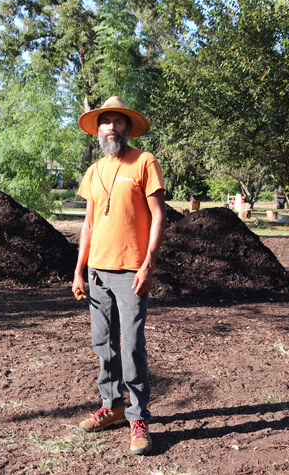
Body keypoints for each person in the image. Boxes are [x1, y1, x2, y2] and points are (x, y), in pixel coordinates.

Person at [72, 96, 166, 455]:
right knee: (103, 346)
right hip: (97, 273)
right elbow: (89, 224)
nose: (111, 127)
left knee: (132, 346)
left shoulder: (144, 162)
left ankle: (138, 417)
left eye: (118, 121)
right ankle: (110, 407)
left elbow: (159, 217)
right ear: (98, 130)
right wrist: (79, 270)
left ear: (127, 128)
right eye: (105, 122)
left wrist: (148, 264)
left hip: (131, 272)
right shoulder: (93, 171)